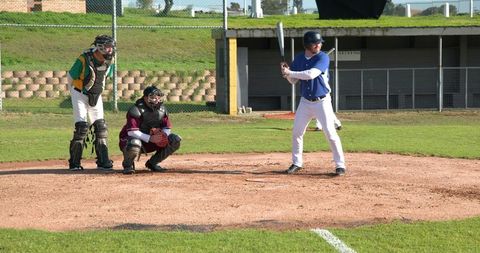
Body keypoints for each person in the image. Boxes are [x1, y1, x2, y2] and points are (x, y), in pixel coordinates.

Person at [280, 31, 346, 176]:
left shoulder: (322, 57)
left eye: (319, 42)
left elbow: (311, 74)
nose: (318, 45)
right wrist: (286, 73)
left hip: (322, 101)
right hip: (305, 102)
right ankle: (297, 162)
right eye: (315, 43)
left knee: (330, 133)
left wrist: (290, 72)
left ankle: (340, 165)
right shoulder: (299, 59)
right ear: (307, 45)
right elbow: (293, 81)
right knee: (297, 132)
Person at [67, 35, 116, 171]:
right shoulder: (84, 59)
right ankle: (75, 163)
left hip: (96, 95)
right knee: (82, 127)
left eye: (111, 46)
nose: (110, 49)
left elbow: (106, 76)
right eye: (107, 46)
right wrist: (74, 93)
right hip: (79, 93)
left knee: (101, 127)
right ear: (100, 47)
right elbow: (70, 77)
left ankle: (103, 161)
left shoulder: (109, 61)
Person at [119, 86, 182, 174]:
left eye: (158, 97)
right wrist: (150, 138)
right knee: (134, 143)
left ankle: (152, 163)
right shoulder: (136, 109)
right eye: (152, 97)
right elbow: (132, 132)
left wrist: (162, 135)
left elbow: (167, 128)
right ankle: (128, 165)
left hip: (152, 140)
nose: (156, 100)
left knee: (175, 140)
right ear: (145, 98)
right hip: (130, 140)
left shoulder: (162, 110)